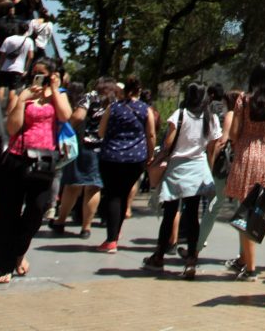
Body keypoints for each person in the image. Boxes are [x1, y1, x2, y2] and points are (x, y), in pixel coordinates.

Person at [0, 59, 71, 283]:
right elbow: (12, 127)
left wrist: (54, 89)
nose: (39, 77)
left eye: (44, 74)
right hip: (18, 156)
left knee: (37, 210)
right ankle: (3, 264)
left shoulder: (58, 94)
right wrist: (22, 100)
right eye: (36, 73)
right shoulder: (21, 94)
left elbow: (65, 116)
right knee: (7, 211)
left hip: (44, 160)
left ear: (53, 75)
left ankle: (18, 251)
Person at [145, 83, 222, 278]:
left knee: (169, 214)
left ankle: (159, 255)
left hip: (177, 169)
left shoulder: (180, 115)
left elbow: (169, 144)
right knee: (192, 216)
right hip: (198, 169)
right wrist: (209, 169)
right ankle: (191, 261)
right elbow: (213, 147)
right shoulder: (211, 118)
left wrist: (157, 160)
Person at [224, 64, 265, 279]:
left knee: (245, 212)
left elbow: (233, 132)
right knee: (257, 211)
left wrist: (243, 137)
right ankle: (244, 259)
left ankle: (250, 268)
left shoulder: (244, 100)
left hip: (247, 154)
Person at [97, 75, 155, 253]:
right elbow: (151, 135)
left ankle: (111, 239)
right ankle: (116, 232)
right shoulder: (146, 110)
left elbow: (100, 132)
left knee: (113, 195)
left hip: (111, 156)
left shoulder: (113, 108)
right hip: (135, 158)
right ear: (139, 90)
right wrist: (150, 156)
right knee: (123, 195)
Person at [51, 77, 114, 237]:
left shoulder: (90, 97)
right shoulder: (115, 101)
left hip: (84, 145)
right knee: (93, 188)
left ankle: (60, 221)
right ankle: (87, 227)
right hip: (104, 148)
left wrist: (67, 129)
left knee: (72, 185)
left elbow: (78, 116)